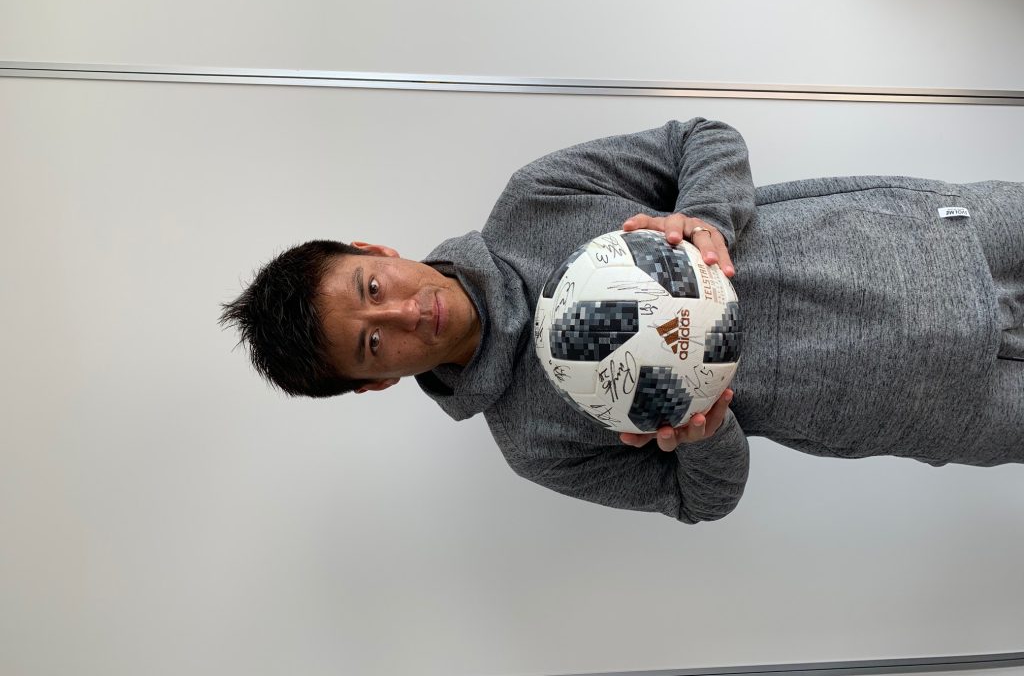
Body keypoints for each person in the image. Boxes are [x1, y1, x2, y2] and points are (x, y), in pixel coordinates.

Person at [220, 119, 1024, 523]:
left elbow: (702, 139)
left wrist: (702, 217)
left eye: (371, 284)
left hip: (944, 239)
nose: (404, 310)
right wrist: (700, 436)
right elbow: (702, 500)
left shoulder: (535, 199)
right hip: (941, 403)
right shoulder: (535, 444)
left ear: (373, 249)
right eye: (372, 342)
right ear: (375, 382)